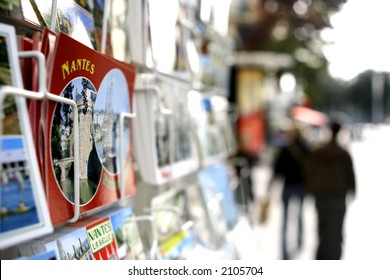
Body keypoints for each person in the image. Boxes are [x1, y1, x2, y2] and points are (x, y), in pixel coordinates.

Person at [305, 119, 356, 260]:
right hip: (337, 196)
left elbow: (310, 172)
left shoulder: (320, 152)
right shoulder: (342, 153)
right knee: (336, 230)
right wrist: (352, 191)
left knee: (323, 228)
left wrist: (312, 189)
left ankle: (323, 256)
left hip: (322, 195)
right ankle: (333, 257)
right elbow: (350, 175)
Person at [268, 123, 309, 260]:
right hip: (302, 186)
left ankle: (284, 250)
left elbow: (277, 169)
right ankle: (300, 242)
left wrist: (271, 186)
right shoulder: (306, 148)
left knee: (285, 218)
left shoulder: (286, 149)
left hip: (288, 186)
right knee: (300, 215)